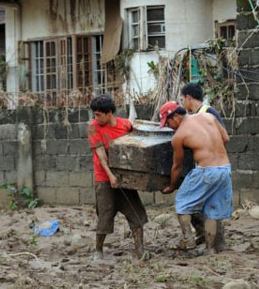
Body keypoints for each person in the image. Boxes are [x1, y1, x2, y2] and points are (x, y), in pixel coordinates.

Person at [159, 101, 232, 254]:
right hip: (225, 169)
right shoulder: (208, 117)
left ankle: (189, 243)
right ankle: (210, 249)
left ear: (177, 116)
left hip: (206, 171)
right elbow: (225, 138)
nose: (168, 126)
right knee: (212, 210)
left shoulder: (179, 136)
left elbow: (177, 167)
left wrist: (172, 186)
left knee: (182, 204)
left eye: (168, 122)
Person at [88, 95, 148, 261]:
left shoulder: (125, 125)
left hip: (125, 177)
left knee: (135, 213)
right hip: (104, 177)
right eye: (94, 114)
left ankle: (140, 250)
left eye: (99, 114)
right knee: (105, 214)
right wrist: (111, 176)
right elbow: (101, 156)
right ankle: (98, 249)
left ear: (109, 113)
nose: (95, 118)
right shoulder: (93, 128)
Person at [180, 83, 227, 250]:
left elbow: (223, 137)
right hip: (202, 168)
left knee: (209, 206)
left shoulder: (209, 113)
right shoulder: (195, 116)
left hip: (211, 168)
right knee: (198, 205)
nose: (182, 102)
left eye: (182, 99)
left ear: (188, 98)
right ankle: (206, 237)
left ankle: (216, 243)